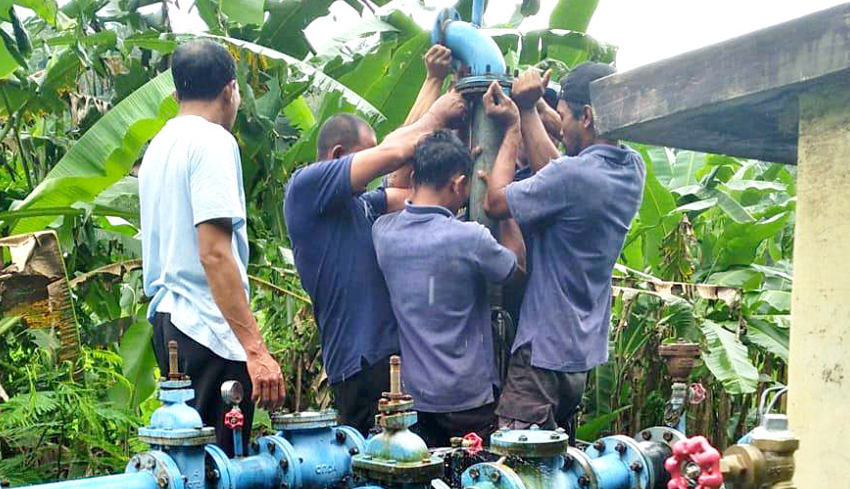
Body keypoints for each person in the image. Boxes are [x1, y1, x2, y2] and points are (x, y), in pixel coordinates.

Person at [284, 47, 465, 436]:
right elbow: (396, 151)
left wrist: (433, 81)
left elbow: (408, 178)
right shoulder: (307, 188)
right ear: (337, 156)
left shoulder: (360, 204)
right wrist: (440, 113)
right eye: (367, 158)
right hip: (360, 367)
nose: (377, 166)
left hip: (392, 361)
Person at [479, 62, 646, 431]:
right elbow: (559, 170)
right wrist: (536, 105)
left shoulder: (571, 177)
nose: (561, 124)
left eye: (566, 115)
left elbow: (495, 202)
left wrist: (515, 122)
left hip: (541, 355)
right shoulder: (633, 167)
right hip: (579, 358)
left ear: (587, 116)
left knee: (514, 468)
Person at [139, 40, 285, 457]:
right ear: (230, 90)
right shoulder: (213, 142)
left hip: (168, 323)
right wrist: (256, 350)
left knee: (183, 458)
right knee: (220, 464)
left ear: (175, 94)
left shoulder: (158, 148)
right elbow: (214, 253)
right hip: (207, 330)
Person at [372, 130, 525, 447]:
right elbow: (514, 270)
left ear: (415, 175)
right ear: (458, 184)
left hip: (415, 401)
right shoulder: (471, 237)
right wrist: (502, 205)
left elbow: (392, 188)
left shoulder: (382, 233)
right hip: (468, 399)